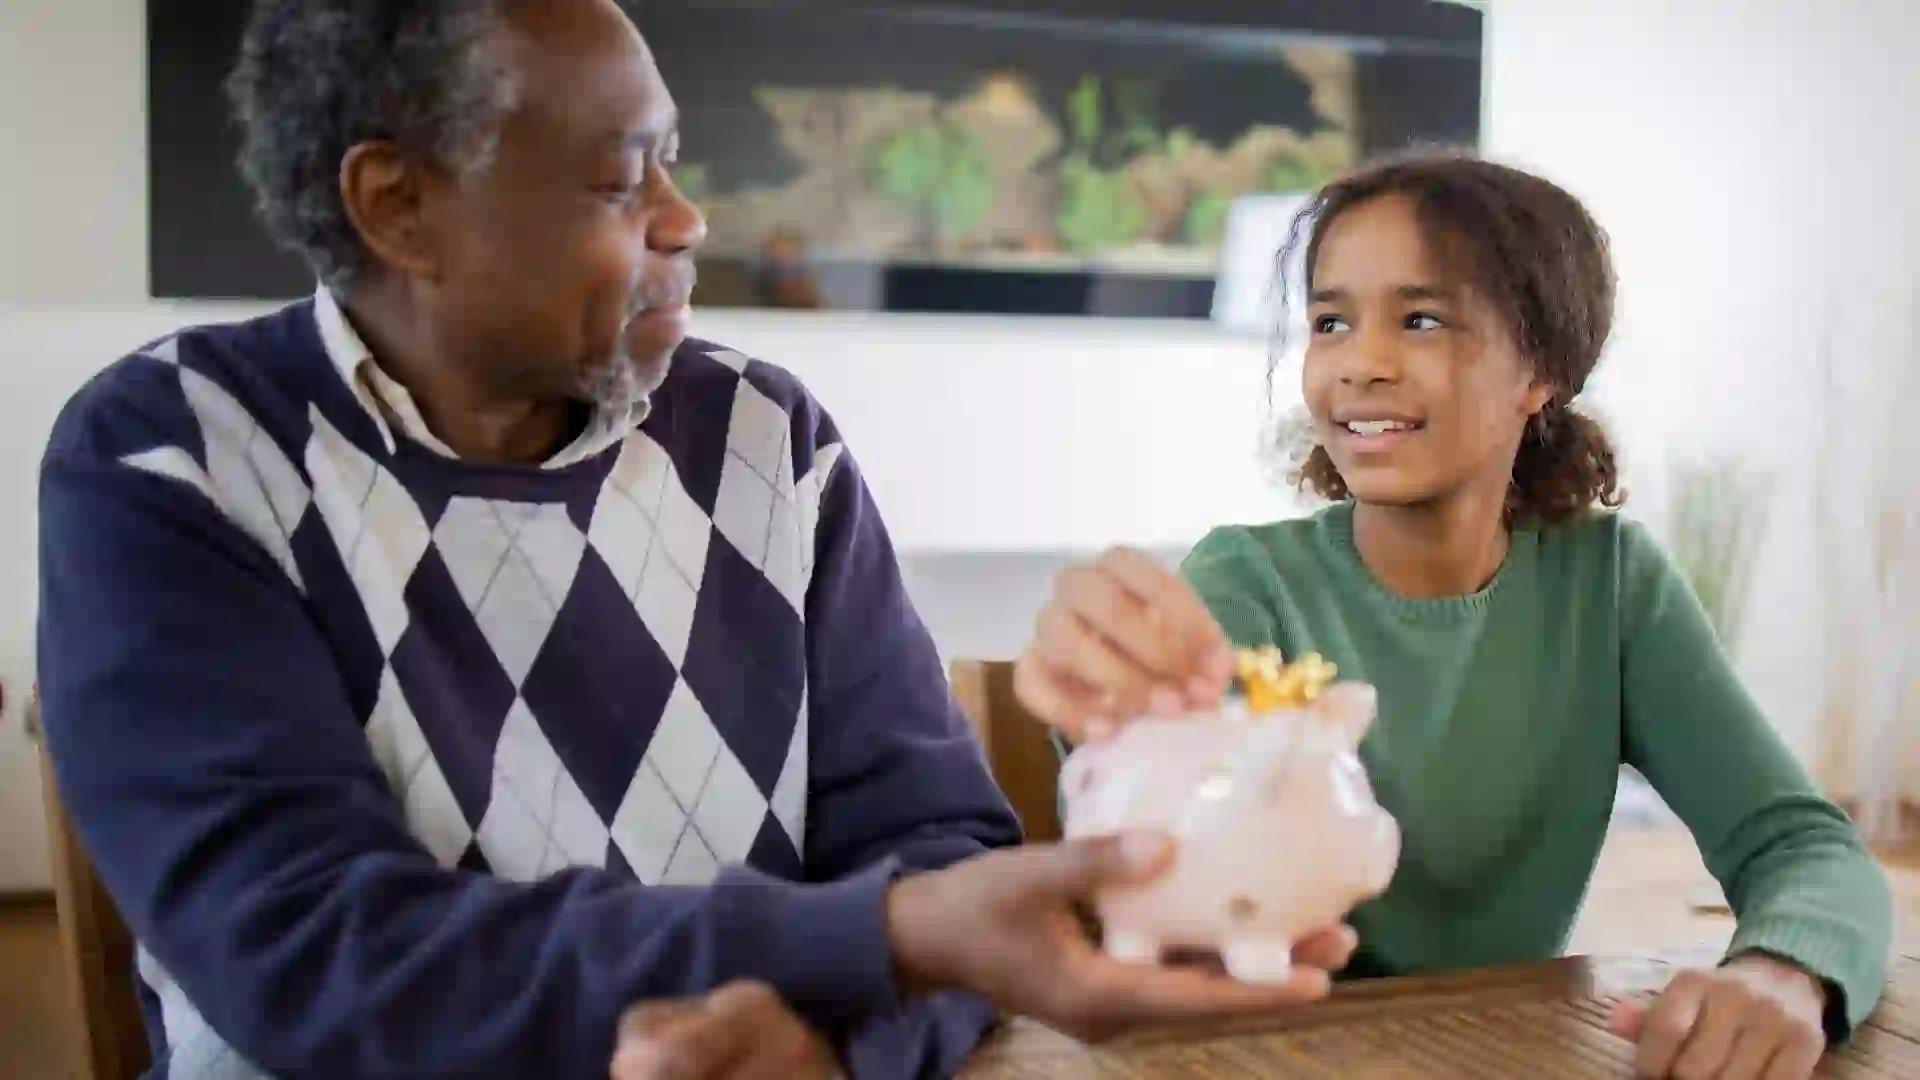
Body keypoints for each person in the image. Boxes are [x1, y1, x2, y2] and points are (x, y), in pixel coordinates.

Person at [34, 2, 1354, 1079]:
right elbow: (317, 958)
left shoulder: (766, 437)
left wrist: (832, 1052)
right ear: (398, 206)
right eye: (621, 178)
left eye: (672, 160)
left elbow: (944, 859)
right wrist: (870, 945)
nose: (683, 219)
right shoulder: (174, 457)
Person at [1016, 152, 1894, 1080]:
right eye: (1330, 322)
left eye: (1422, 319)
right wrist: (1114, 714)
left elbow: (1797, 843)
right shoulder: (1245, 580)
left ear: (1542, 372)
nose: (1362, 363)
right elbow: (1154, 820)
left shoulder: (1611, 587)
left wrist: (1785, 970)